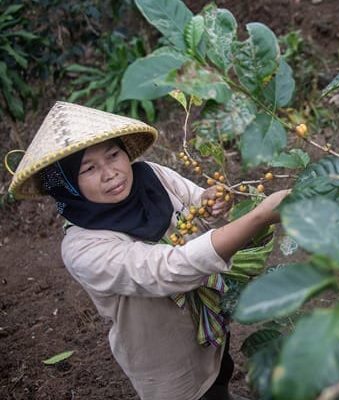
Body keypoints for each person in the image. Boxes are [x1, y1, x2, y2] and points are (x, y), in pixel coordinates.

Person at [8, 101, 289, 400]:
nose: (110, 173)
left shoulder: (152, 177)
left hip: (208, 318)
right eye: (89, 169)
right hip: (165, 358)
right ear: (66, 185)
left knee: (220, 372)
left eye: (114, 155)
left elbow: (195, 207)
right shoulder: (83, 248)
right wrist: (258, 217)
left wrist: (211, 201)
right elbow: (167, 270)